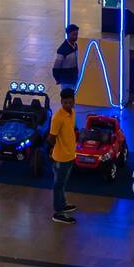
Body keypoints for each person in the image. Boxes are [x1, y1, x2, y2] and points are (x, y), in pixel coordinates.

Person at [47, 86, 77, 224]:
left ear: (74, 101)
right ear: (61, 102)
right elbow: (51, 137)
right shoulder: (57, 118)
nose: (68, 105)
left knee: (63, 182)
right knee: (58, 184)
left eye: (70, 102)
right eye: (65, 103)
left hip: (70, 155)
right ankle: (58, 212)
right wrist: (51, 150)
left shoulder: (72, 113)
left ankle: (63, 204)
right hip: (61, 157)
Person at [52, 23, 79, 92]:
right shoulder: (62, 50)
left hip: (74, 78)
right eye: (74, 34)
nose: (76, 37)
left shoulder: (76, 46)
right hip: (66, 80)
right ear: (68, 34)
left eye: (76, 34)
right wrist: (58, 79)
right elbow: (56, 67)